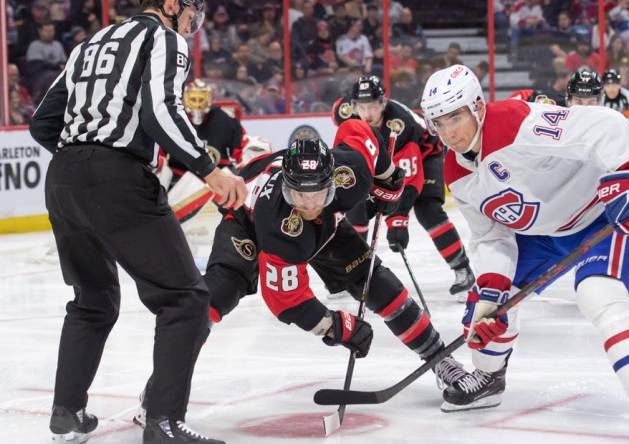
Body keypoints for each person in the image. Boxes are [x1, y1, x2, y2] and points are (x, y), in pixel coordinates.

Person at [133, 121, 471, 426]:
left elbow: (359, 130)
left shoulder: (350, 172)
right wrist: (337, 326)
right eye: (299, 195)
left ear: (333, 182)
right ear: (285, 188)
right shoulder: (277, 223)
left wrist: (386, 177)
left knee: (377, 281)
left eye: (318, 194)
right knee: (212, 299)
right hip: (246, 223)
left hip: (326, 228)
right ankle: (160, 395)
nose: (309, 205)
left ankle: (442, 361)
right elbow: (285, 301)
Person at [420, 65, 629, 444]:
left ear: (477, 107)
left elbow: (607, 125)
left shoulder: (514, 123)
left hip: (602, 216)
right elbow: (491, 235)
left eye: (455, 118)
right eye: (438, 124)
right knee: (485, 307)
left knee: (597, 294)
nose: (449, 133)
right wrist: (492, 290)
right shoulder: (455, 171)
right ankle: (490, 378)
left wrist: (622, 178)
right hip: (544, 236)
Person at [28, 0, 249, 443]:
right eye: (191, 10)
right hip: (117, 177)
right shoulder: (164, 37)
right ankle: (163, 424)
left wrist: (83, 158)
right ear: (170, 4)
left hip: (63, 179)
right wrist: (210, 171)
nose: (193, 22)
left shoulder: (90, 43)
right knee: (186, 299)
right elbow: (160, 110)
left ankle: (67, 413)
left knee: (92, 299)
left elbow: (42, 123)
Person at [332, 75, 475, 300]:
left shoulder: (399, 126)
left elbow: (409, 179)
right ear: (352, 106)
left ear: (383, 103)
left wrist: (398, 219)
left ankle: (462, 269)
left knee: (428, 210)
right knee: (356, 209)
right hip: (382, 159)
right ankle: (352, 274)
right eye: (361, 106)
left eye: (372, 106)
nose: (367, 113)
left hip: (426, 155)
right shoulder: (346, 117)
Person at [162, 79, 245, 190]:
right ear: (185, 99)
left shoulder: (227, 119)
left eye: (201, 99)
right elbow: (160, 153)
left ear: (209, 99)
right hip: (179, 178)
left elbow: (241, 149)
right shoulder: (171, 119)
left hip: (218, 177)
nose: (197, 104)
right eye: (193, 99)